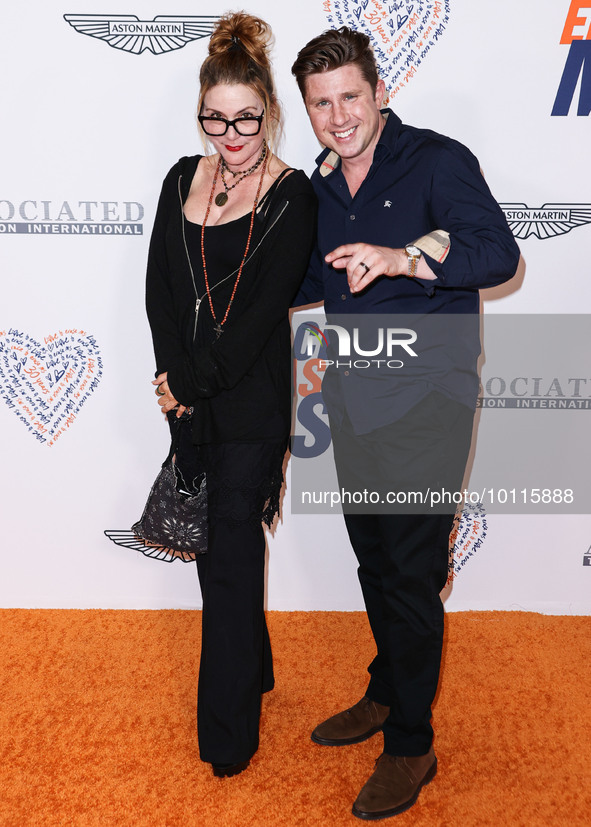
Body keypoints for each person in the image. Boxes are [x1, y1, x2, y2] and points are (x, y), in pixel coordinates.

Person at [291, 27, 520, 820]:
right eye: (320, 103)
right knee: (374, 557)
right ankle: (388, 690)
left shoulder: (435, 158)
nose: (337, 115)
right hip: (353, 393)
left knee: (412, 570)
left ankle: (411, 743)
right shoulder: (317, 186)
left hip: (429, 398)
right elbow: (293, 274)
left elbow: (497, 252)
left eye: (350, 95)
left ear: (379, 91)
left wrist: (405, 258)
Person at [146, 12, 316, 778]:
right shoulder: (182, 177)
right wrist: (172, 382)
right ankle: (259, 666)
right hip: (190, 404)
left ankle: (227, 738)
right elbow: (160, 291)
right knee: (231, 552)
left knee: (224, 557)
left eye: (246, 117)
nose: (231, 134)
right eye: (216, 118)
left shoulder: (292, 198)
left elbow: (253, 324)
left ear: (270, 111)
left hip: (249, 408)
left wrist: (188, 381)